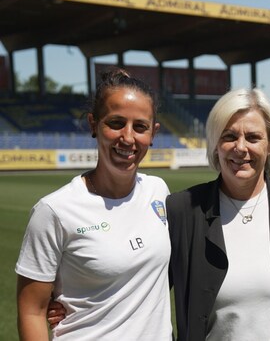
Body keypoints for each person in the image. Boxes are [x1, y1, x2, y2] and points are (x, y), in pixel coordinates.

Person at [16, 68, 172, 340]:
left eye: (140, 126)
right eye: (115, 123)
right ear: (93, 124)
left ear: (153, 132)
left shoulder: (158, 191)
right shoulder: (55, 211)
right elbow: (31, 311)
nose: (128, 137)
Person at [166, 88, 270, 340]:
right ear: (215, 144)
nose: (240, 147)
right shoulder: (183, 210)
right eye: (229, 136)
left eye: (253, 137)